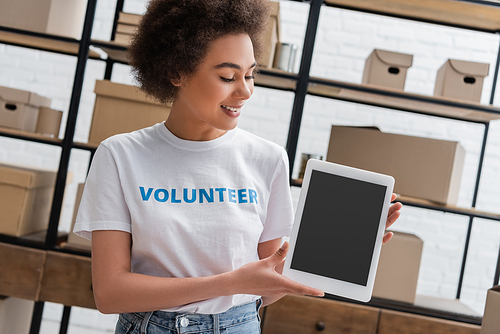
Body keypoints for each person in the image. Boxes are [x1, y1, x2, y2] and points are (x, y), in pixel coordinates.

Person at [74, 0, 402, 333]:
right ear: (177, 71)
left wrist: (341, 247)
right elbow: (110, 293)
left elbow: (267, 284)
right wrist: (229, 283)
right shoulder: (120, 155)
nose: (245, 91)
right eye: (228, 76)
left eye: (250, 75)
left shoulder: (268, 159)